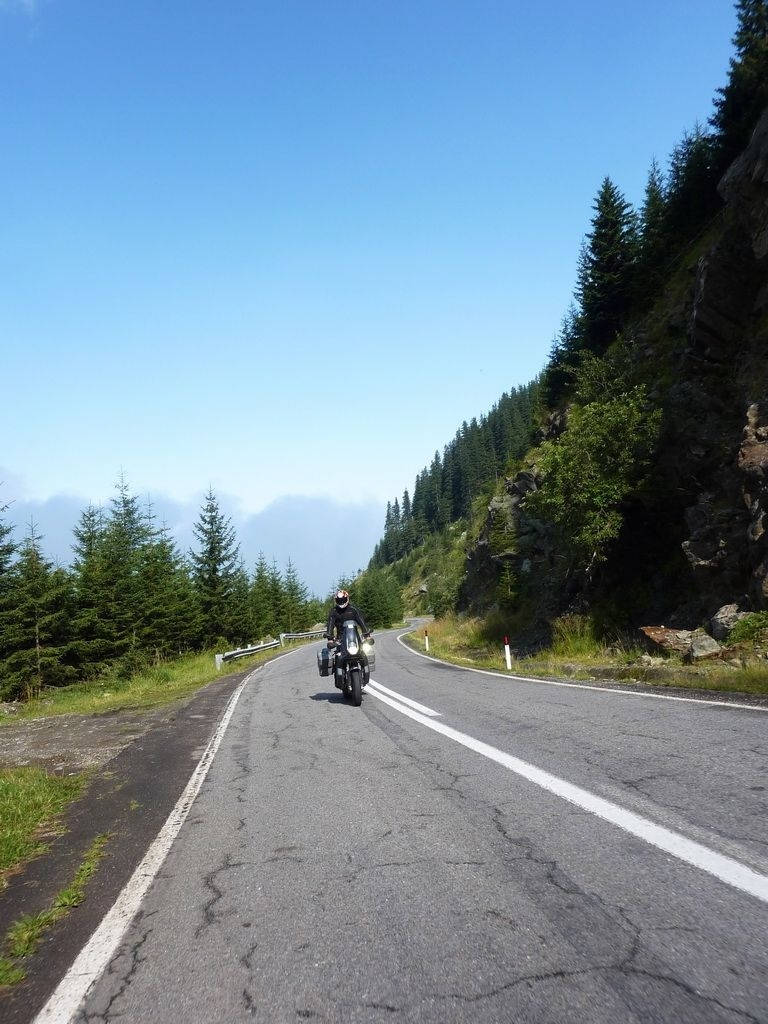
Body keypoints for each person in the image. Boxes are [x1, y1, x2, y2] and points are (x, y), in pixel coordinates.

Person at [325, 589, 374, 689]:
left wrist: (367, 635)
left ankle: (365, 674)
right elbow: (330, 625)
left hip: (354, 639)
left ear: (347, 598)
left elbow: (362, 622)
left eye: (343, 599)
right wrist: (330, 639)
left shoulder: (353, 609)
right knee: (338, 657)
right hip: (340, 640)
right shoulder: (334, 611)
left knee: (363, 653)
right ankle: (339, 678)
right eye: (339, 600)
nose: (341, 602)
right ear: (336, 600)